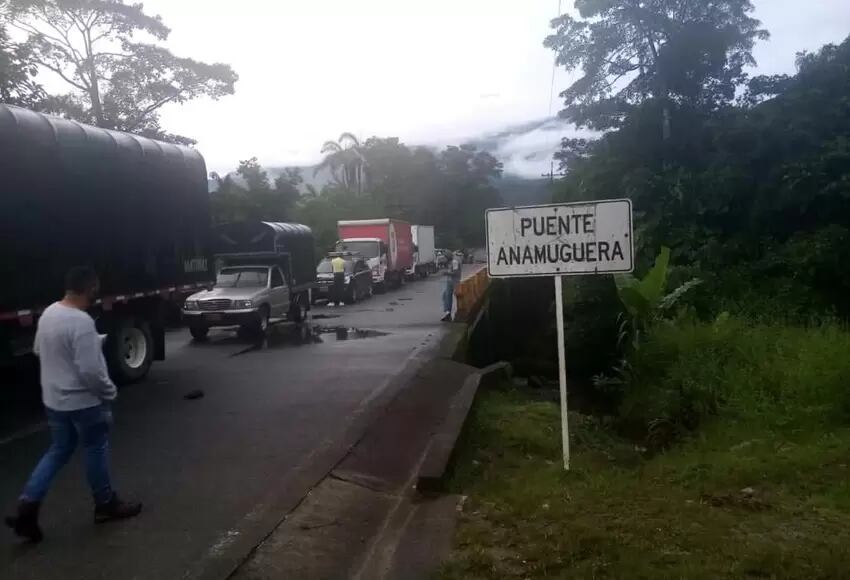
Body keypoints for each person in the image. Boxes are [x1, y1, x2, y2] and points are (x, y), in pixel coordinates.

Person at [5, 267, 142, 543]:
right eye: (96, 288)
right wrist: (109, 392)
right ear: (91, 288)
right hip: (83, 402)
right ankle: (105, 504)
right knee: (95, 447)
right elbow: (91, 371)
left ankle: (28, 507)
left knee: (58, 450)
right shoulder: (80, 322)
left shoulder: (49, 314)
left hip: (54, 401)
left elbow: (38, 350)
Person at [441, 251, 463, 322]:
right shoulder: (451, 261)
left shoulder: (454, 261)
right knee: (446, 296)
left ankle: (458, 313)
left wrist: (446, 273)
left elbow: (456, 272)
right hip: (450, 281)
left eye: (446, 257)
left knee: (457, 296)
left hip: (455, 281)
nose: (445, 259)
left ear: (449, 256)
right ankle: (448, 313)